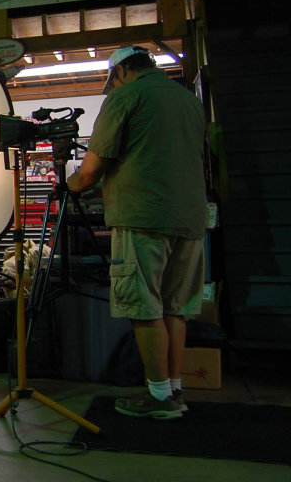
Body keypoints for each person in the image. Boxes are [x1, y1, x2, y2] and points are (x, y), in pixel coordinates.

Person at [67, 46, 207, 420]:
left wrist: (71, 183)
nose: (113, 86)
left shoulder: (125, 97)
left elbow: (90, 171)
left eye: (112, 81)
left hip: (143, 219)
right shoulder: (187, 99)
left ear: (121, 72)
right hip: (189, 219)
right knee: (175, 308)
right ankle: (174, 391)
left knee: (144, 309)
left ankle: (158, 398)